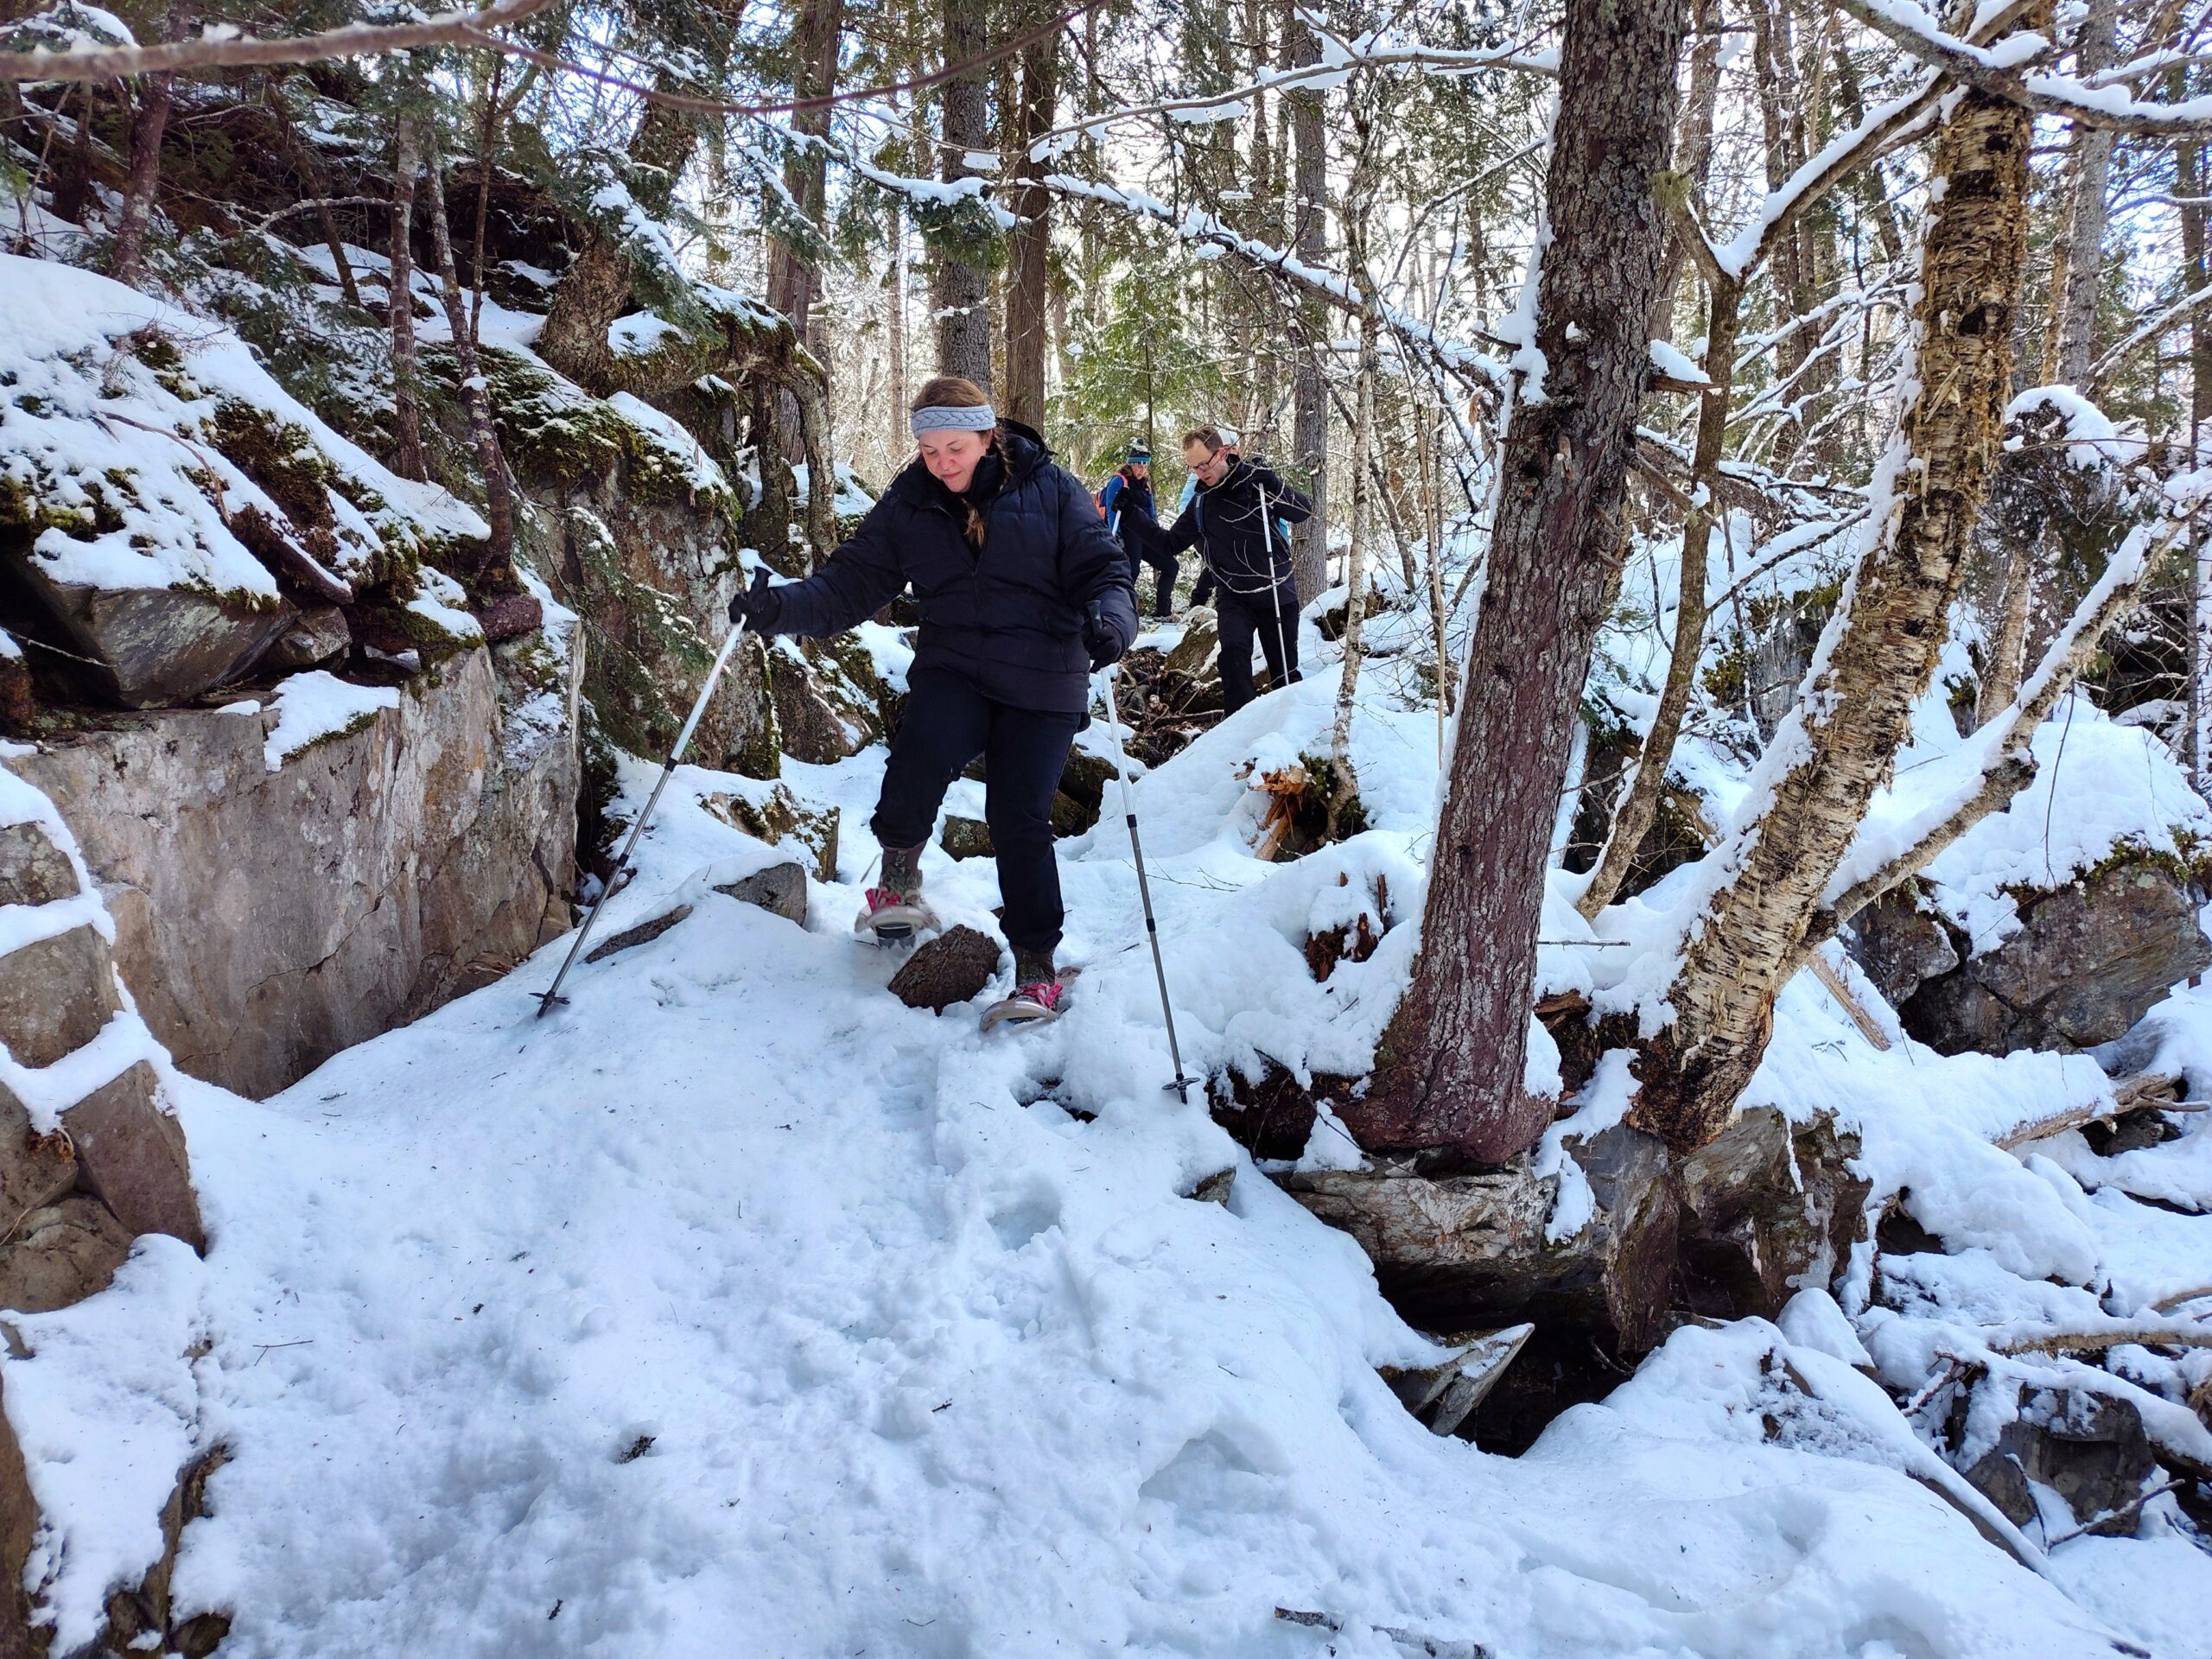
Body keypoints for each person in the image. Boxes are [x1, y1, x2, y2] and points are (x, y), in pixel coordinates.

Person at [728, 374, 1137, 1028]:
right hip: (959, 669)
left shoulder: (1050, 489)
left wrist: (1111, 622)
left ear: (986, 435)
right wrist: (777, 608)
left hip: (1044, 679)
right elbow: (850, 583)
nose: (943, 463)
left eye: (955, 448)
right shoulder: (912, 502)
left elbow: (1105, 568)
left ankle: (1035, 968)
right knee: (920, 748)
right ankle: (898, 883)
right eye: (929, 451)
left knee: (1018, 817)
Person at [1156, 425, 1312, 715]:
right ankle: (1237, 736)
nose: (1201, 472)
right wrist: (1133, 517)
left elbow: (1303, 511)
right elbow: (1170, 543)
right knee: (1234, 660)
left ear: (1223, 453)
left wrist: (1276, 485)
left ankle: (1293, 733)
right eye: (1194, 468)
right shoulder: (1201, 501)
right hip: (1233, 595)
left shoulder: (1257, 483)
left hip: (1275, 590)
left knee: (1284, 672)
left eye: (1205, 463)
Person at [1097, 442, 1177, 620]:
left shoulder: (1145, 485)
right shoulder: (1119, 481)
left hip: (1145, 534)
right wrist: (1114, 536)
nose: (1141, 469)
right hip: (1126, 533)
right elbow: (1111, 509)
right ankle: (1120, 613)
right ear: (1130, 464)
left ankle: (1163, 611)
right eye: (1138, 464)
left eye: (1145, 465)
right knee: (1131, 572)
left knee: (1171, 566)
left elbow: (1151, 511)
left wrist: (1158, 535)